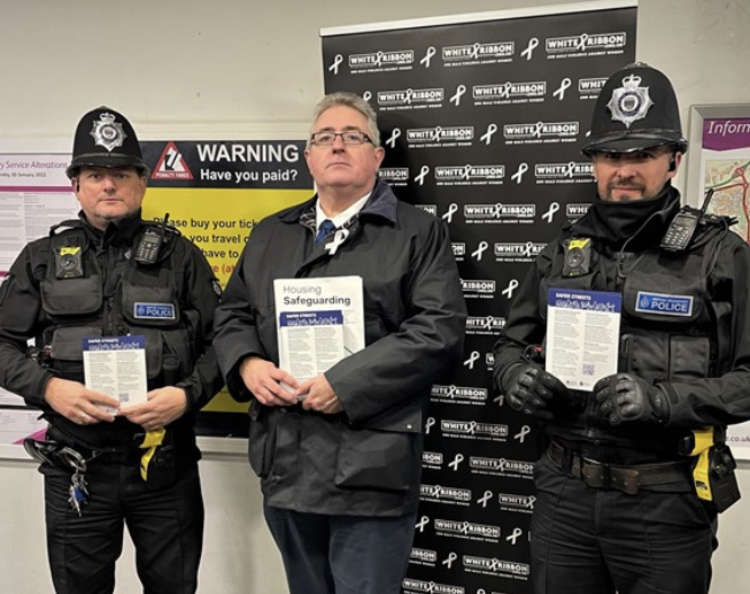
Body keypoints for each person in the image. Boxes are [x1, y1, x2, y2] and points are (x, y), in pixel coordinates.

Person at [492, 62, 750, 594]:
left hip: (665, 501)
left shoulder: (722, 256)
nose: (624, 170)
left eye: (643, 155)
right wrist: (514, 375)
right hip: (565, 494)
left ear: (674, 160)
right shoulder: (562, 251)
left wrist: (663, 401)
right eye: (611, 155)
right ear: (593, 164)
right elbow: (508, 347)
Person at [213, 91, 466, 594]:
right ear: (308, 156)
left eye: (354, 137)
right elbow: (232, 313)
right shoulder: (270, 234)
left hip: (370, 470)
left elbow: (438, 330)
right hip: (286, 462)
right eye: (325, 137)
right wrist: (246, 365)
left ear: (377, 156)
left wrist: (343, 384)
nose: (338, 146)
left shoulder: (418, 233)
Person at [0, 106, 223, 594]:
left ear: (142, 183)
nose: (108, 185)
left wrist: (186, 396)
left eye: (120, 174)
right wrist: (48, 387)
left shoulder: (181, 257)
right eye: (95, 174)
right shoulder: (40, 259)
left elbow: (223, 343)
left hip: (164, 467)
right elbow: (2, 343)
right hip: (76, 467)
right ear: (76, 186)